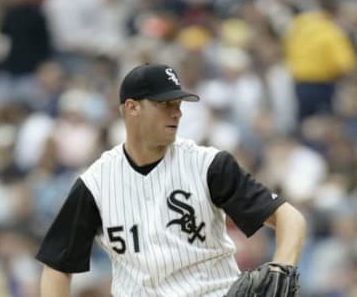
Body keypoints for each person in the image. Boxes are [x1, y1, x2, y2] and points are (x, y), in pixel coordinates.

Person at [36, 63, 307, 296]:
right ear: (132, 108)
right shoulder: (95, 183)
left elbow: (290, 218)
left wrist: (281, 266)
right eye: (165, 104)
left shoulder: (208, 165)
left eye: (177, 104)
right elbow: (57, 266)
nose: (176, 112)